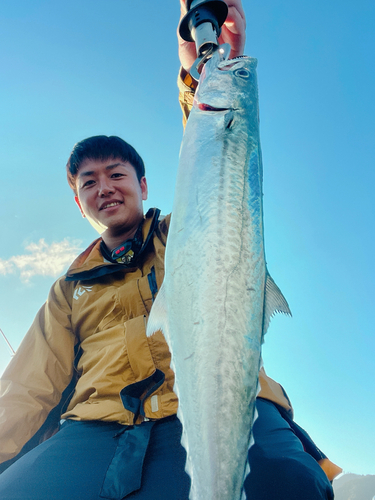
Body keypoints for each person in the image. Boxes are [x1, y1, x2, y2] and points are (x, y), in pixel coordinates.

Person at [0, 1, 341, 498]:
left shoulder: (192, 231)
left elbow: (216, 163)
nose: (106, 188)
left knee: (292, 483)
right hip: (100, 426)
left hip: (218, 406)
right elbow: (29, 387)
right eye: (89, 182)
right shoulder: (69, 288)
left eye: (117, 175)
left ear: (142, 184)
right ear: (79, 204)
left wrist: (199, 74)